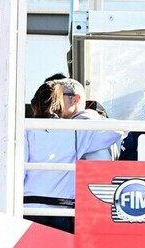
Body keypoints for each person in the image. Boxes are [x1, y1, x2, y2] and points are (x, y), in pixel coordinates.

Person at [24, 80, 122, 232]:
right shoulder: (75, 131)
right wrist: (90, 114)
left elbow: (20, 172)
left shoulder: (27, 130)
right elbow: (116, 131)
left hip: (30, 206)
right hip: (62, 209)